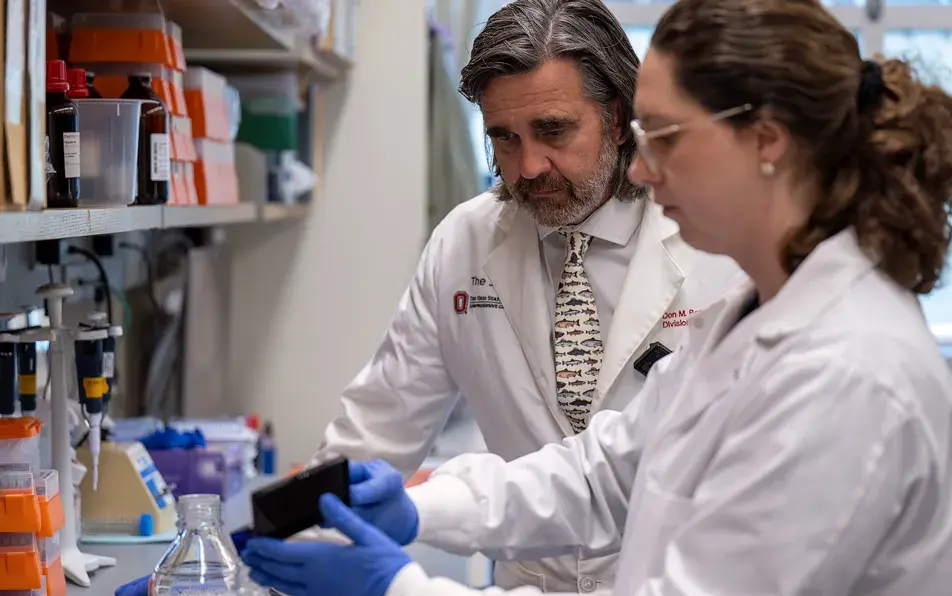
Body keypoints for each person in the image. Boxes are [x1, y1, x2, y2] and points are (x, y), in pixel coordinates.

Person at [238, 0, 952, 594]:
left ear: (765, 140)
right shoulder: (752, 316)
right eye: (504, 137)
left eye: (662, 135)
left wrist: (399, 588)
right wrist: (417, 509)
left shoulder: (845, 372)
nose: (642, 170)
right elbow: (605, 473)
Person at [113, 1, 742, 595]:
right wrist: (229, 555)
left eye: (553, 130)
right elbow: (373, 433)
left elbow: (626, 469)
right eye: (504, 137)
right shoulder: (467, 240)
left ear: (615, 116)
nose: (527, 167)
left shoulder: (715, 244)